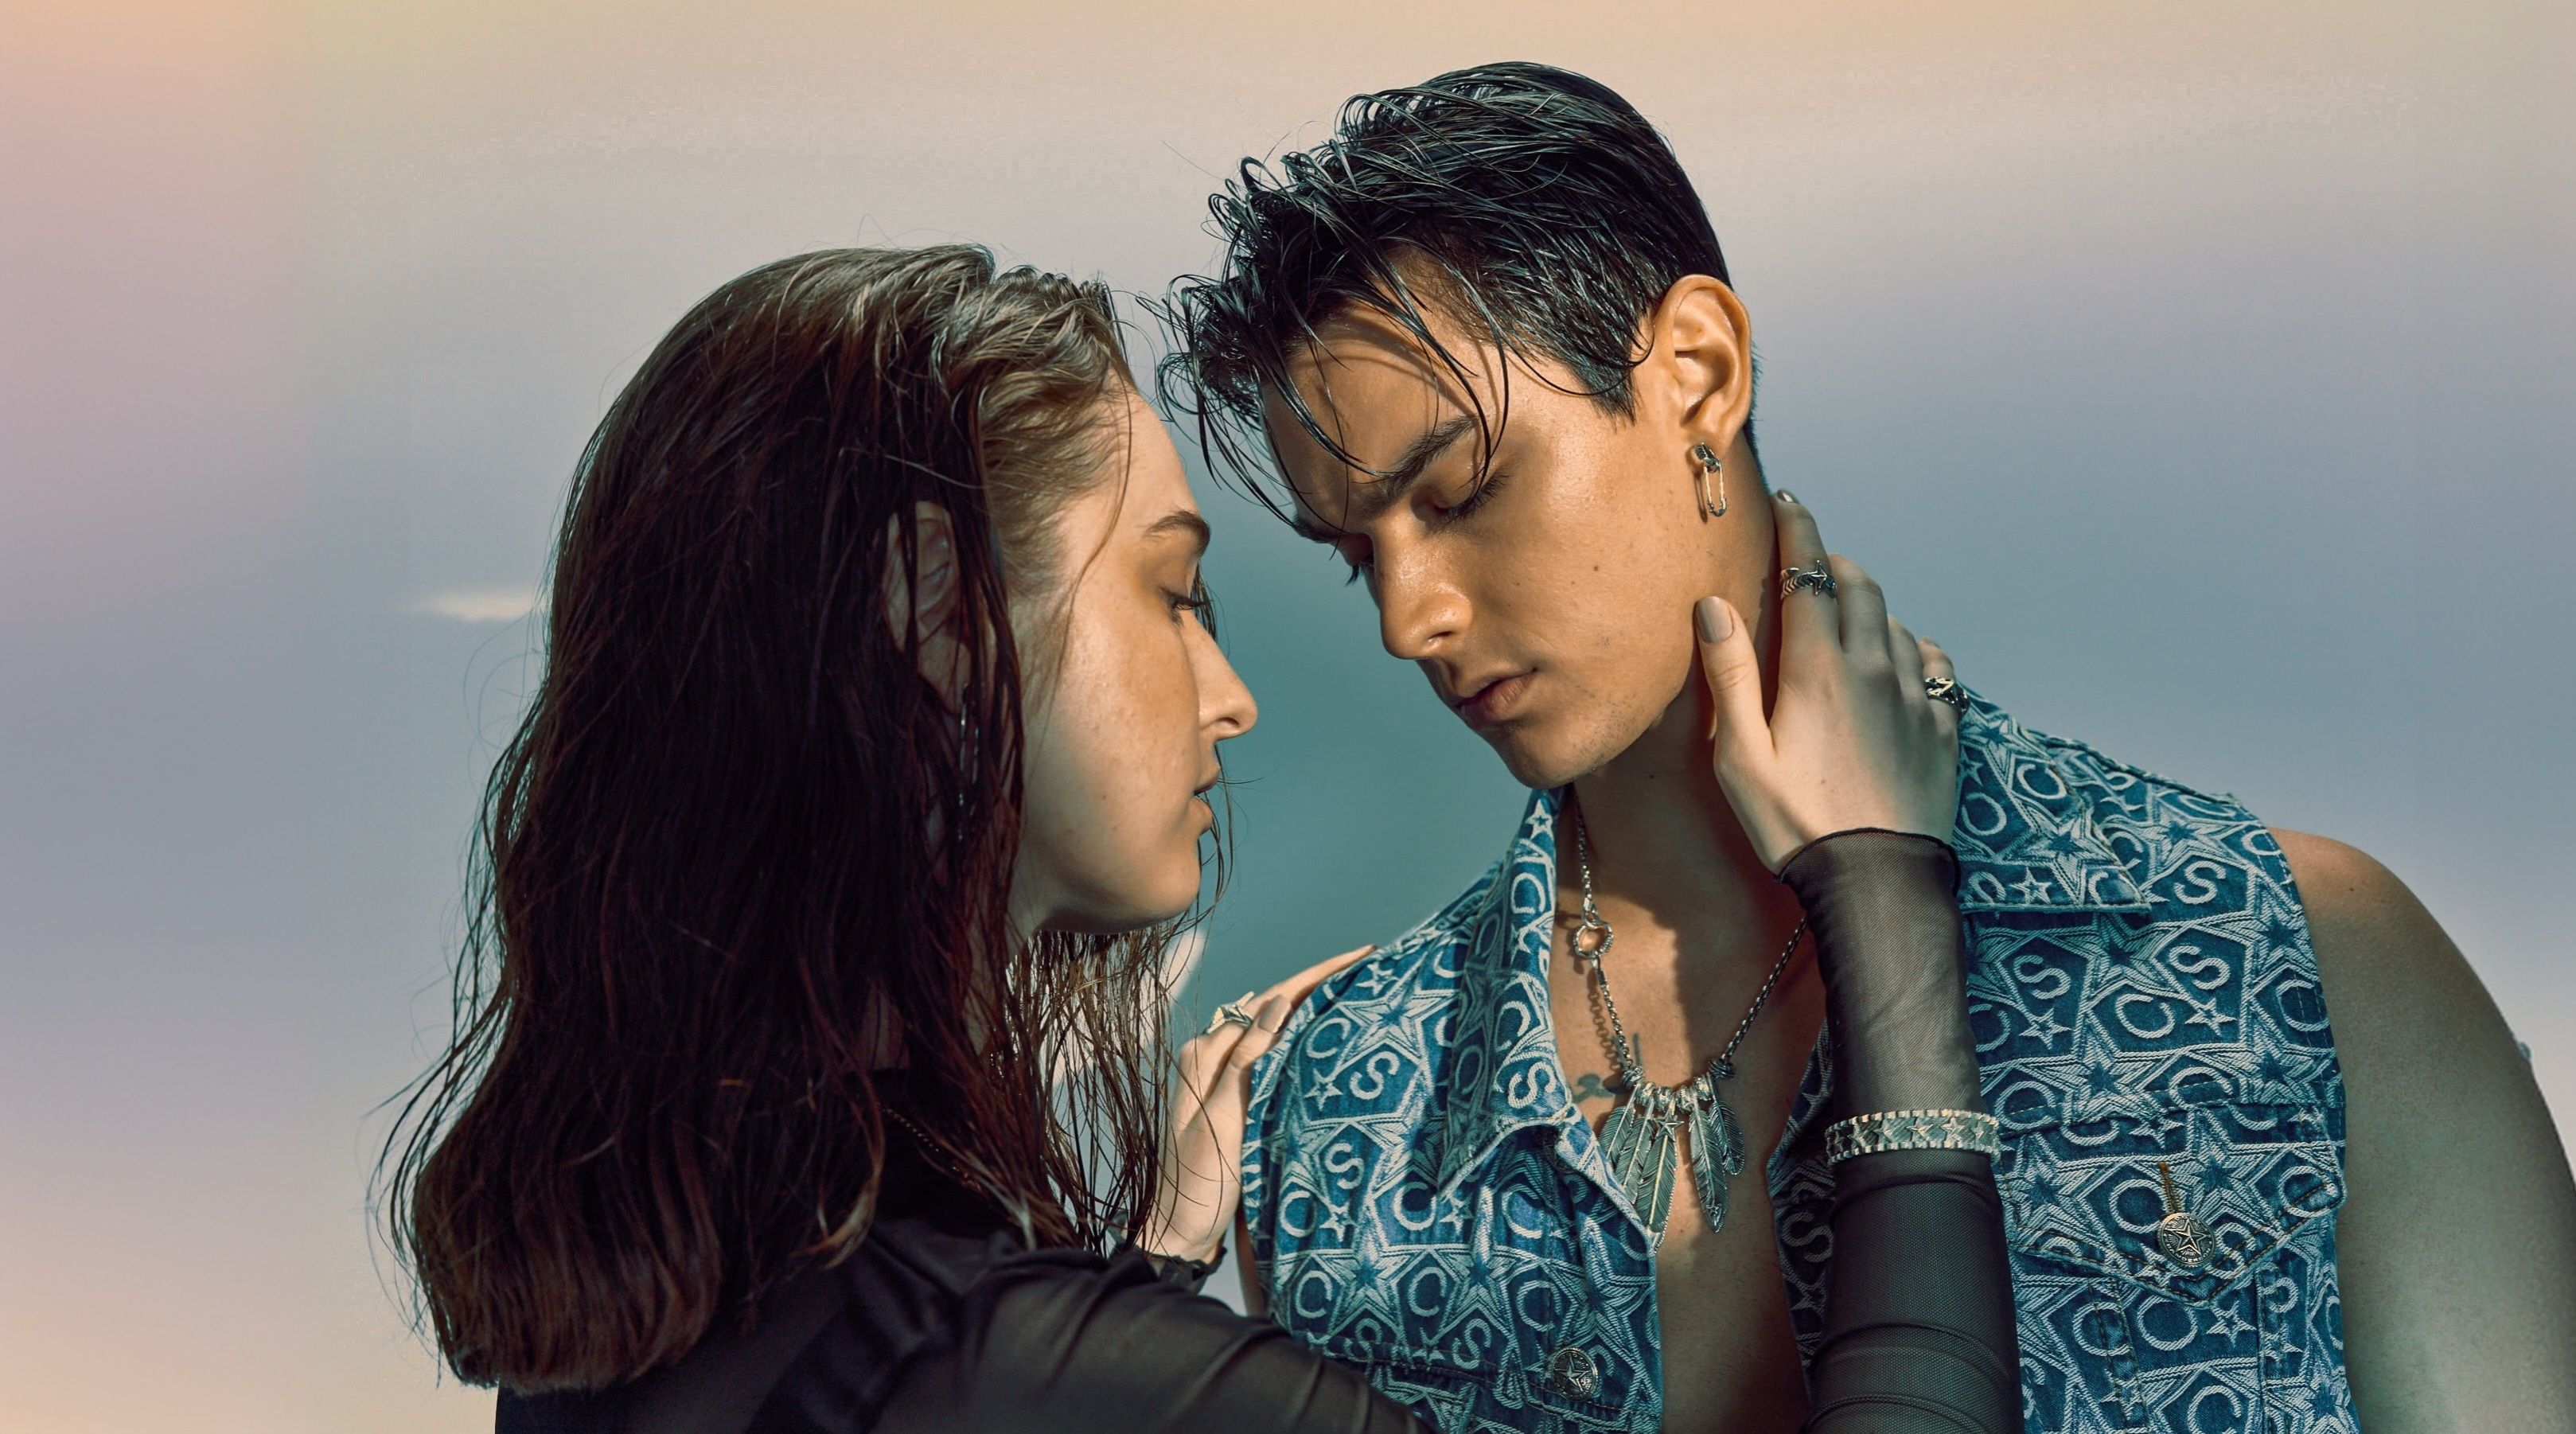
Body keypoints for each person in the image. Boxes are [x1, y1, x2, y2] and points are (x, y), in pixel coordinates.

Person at [379, 244, 2025, 1433]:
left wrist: (1132, 1290)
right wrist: (1886, 895)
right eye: (1171, 589)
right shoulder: (1011, 1365)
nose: (1230, 695)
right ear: (942, 617)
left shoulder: (641, 1320)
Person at [1160, 61, 2576, 1434]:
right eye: (1359, 554)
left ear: (1697, 375)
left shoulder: (2287, 955)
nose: (1409, 618)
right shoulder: (1340, 1107)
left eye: (1463, 489)